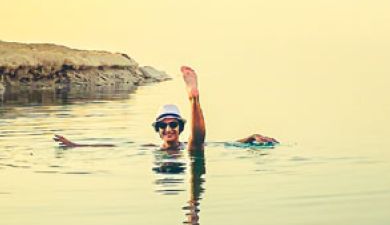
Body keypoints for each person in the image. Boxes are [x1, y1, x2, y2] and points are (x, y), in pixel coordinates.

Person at [54, 66, 278, 150]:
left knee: (195, 145)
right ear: (158, 129)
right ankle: (194, 100)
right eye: (164, 125)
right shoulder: (151, 148)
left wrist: (250, 138)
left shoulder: (185, 144)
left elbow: (226, 144)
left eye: (173, 125)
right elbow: (111, 145)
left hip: (191, 150)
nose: (169, 129)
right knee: (195, 146)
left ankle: (194, 100)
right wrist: (76, 145)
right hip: (190, 151)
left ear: (179, 128)